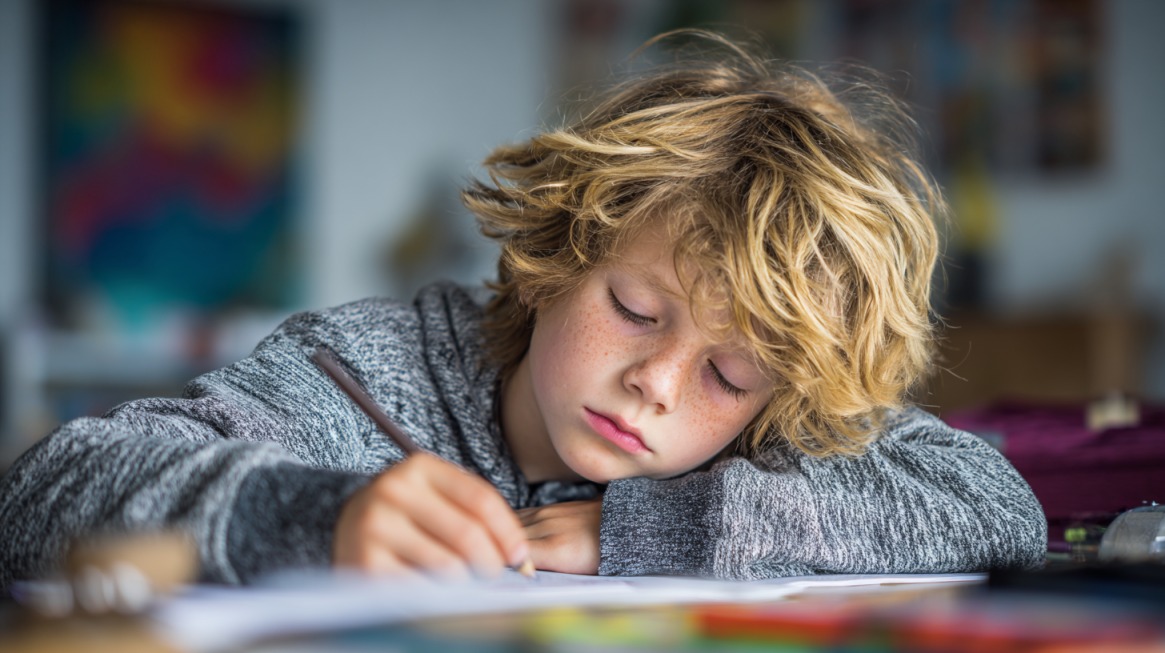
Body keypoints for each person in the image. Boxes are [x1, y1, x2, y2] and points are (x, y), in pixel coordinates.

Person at [0, 30, 1045, 589]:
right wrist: (315, 515)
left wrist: (653, 527)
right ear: (557, 257)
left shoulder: (766, 438)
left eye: (729, 374)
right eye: (638, 308)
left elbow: (998, 508)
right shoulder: (360, 369)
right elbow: (39, 495)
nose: (660, 383)